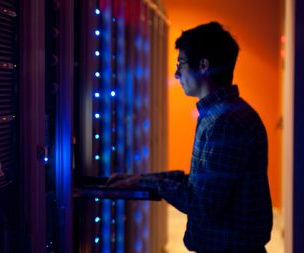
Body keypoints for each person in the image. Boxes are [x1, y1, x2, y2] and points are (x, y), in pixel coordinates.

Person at [107, 22, 272, 253]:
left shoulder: (225, 122)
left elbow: (203, 205)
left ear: (203, 65)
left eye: (181, 64)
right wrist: (140, 179)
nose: (176, 74)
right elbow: (203, 185)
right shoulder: (223, 114)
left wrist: (147, 183)